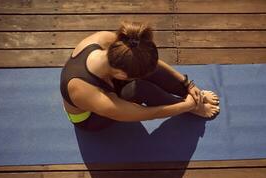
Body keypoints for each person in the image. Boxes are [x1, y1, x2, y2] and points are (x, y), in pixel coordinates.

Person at [60, 21, 220, 131]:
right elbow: (148, 113)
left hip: (105, 81)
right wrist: (187, 106)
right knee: (141, 89)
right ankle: (193, 107)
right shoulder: (82, 89)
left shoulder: (108, 40)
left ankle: (190, 97)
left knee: (148, 69)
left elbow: (152, 63)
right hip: (91, 118)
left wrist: (188, 85)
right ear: (121, 75)